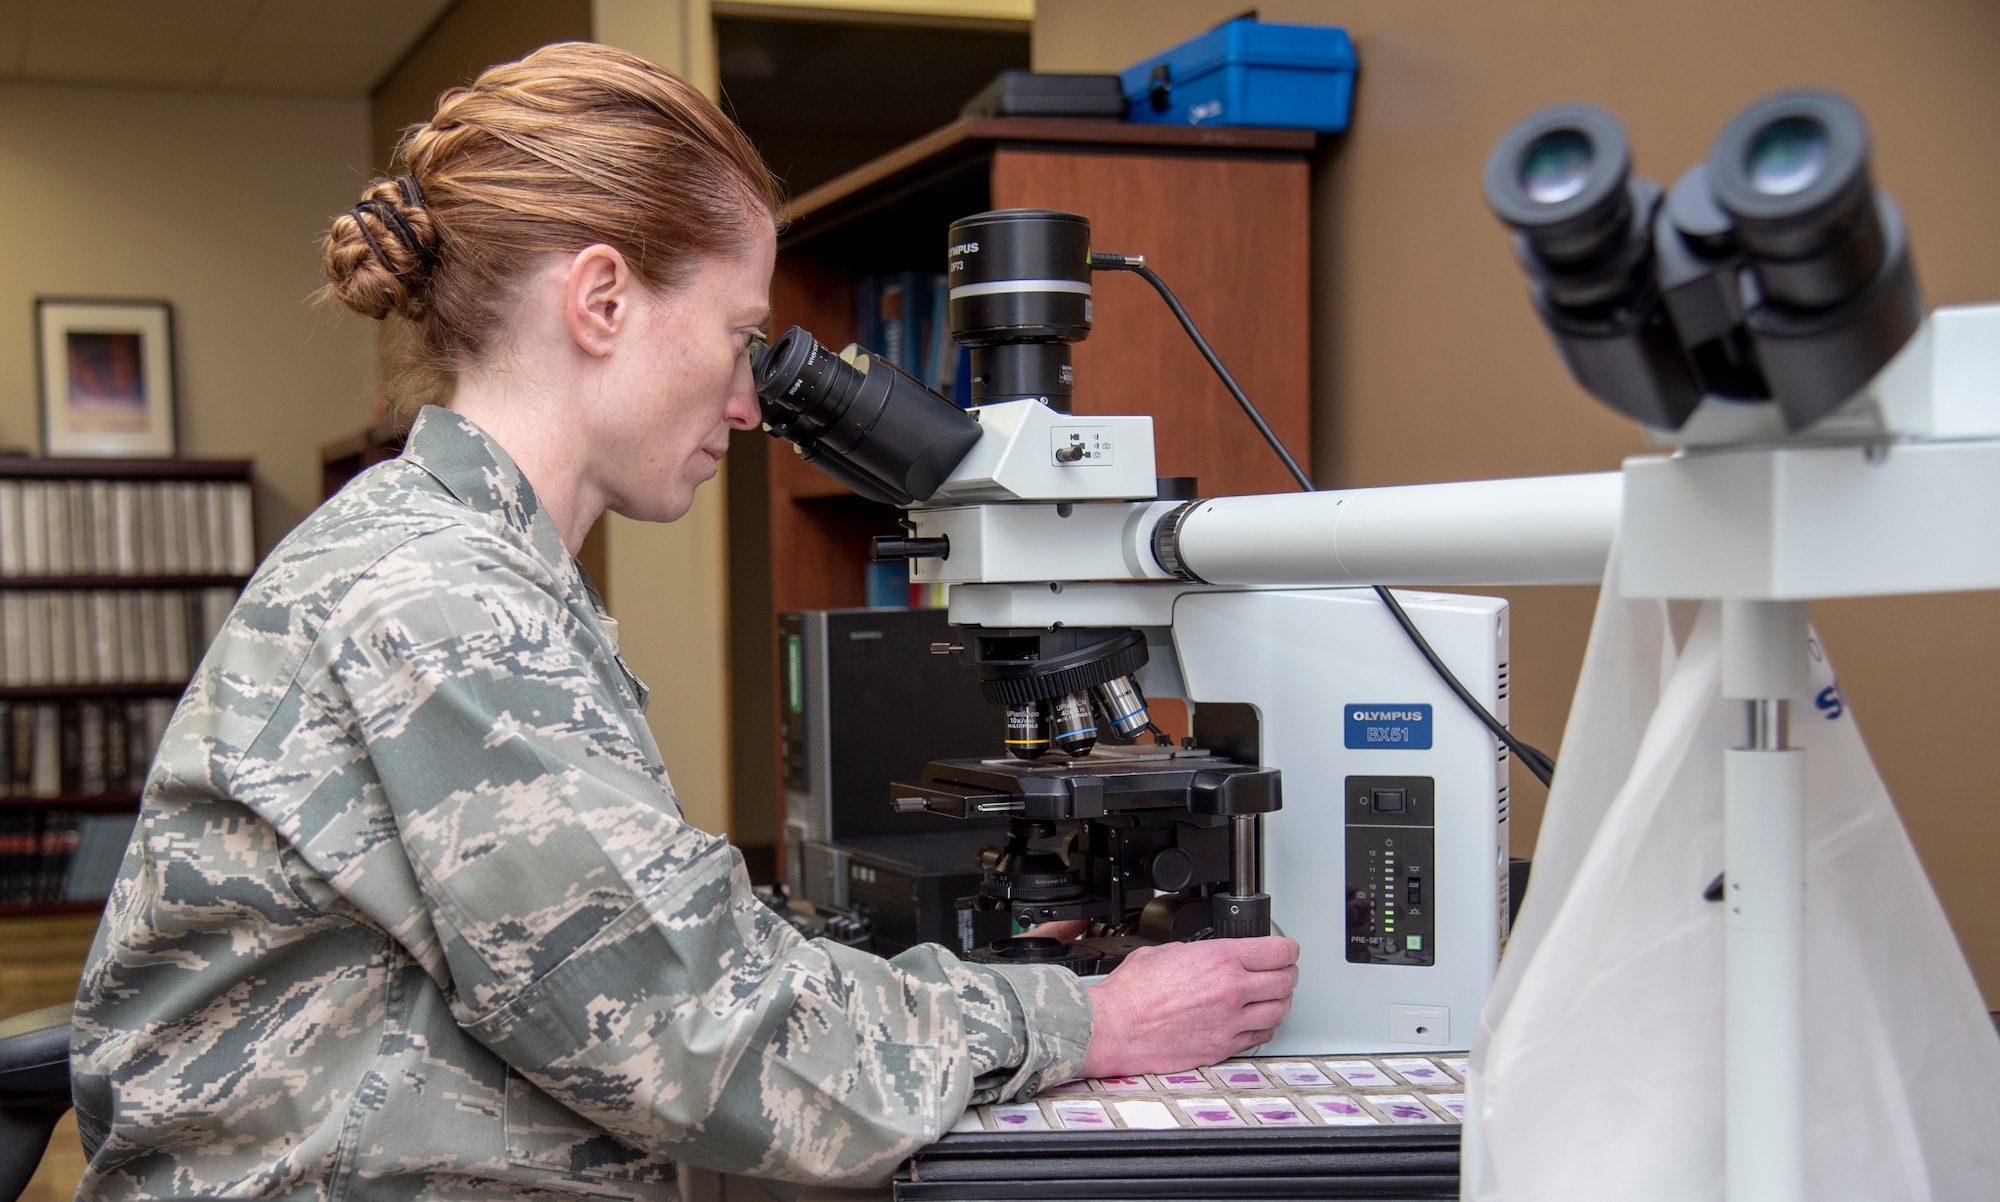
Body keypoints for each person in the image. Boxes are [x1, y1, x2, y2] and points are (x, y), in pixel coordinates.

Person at [69, 42, 1299, 1200]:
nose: (751, 401)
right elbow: (693, 1027)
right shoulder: (444, 601)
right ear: (601, 298)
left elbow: (641, 967)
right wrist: (1093, 1019)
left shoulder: (455, 557)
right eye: (737, 337)